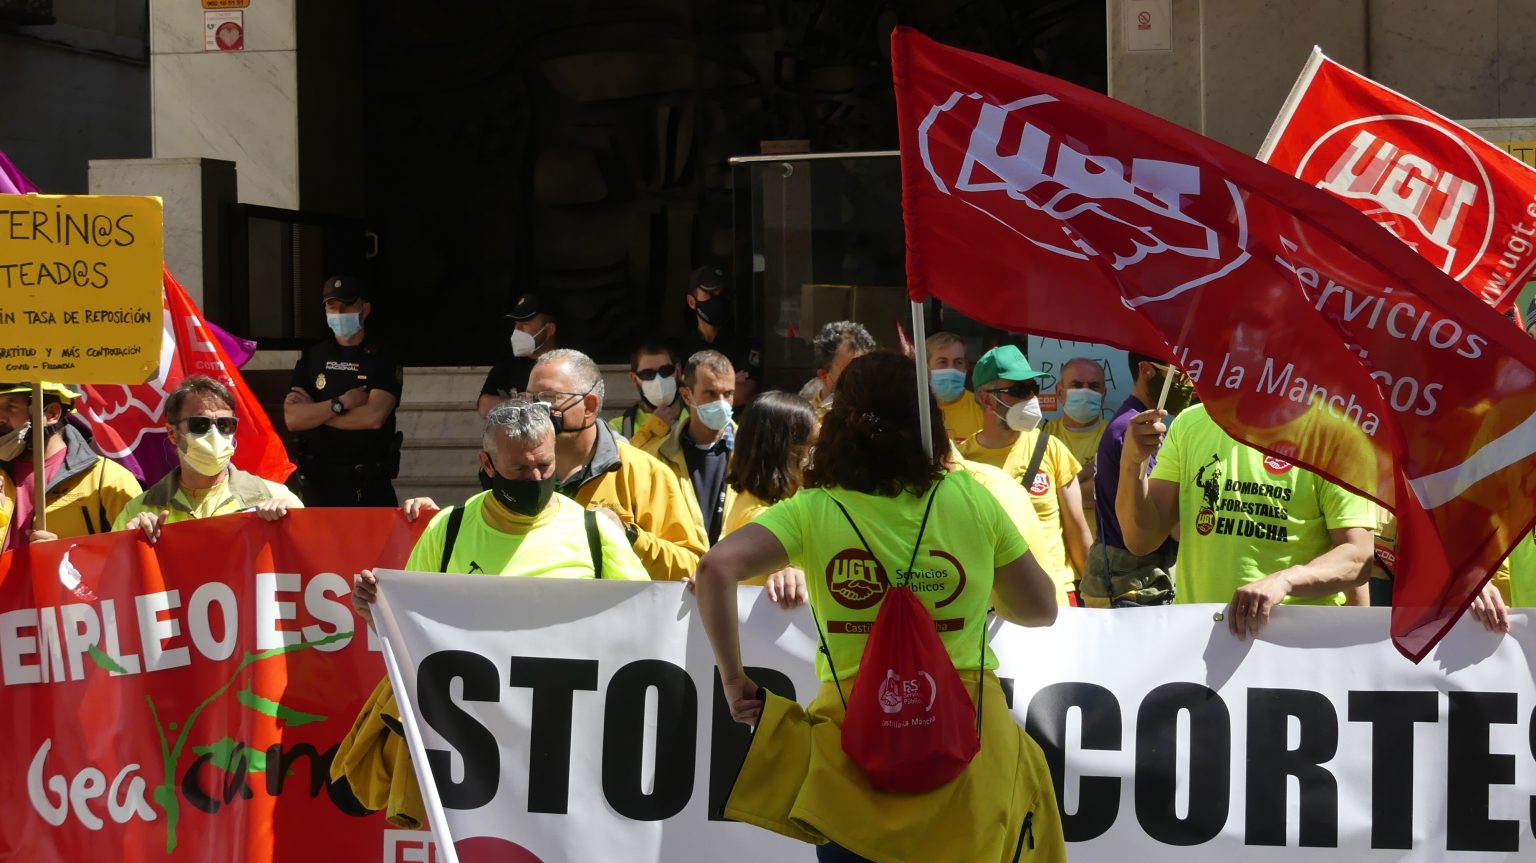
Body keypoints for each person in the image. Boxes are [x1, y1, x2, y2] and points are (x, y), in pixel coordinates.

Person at [693, 351, 1064, 863]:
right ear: (928, 421)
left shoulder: (815, 508)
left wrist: (734, 679)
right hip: (971, 752)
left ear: (841, 422)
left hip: (854, 761)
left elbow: (714, 568)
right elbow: (1041, 610)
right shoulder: (971, 499)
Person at [339, 400, 648, 828]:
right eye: (520, 470)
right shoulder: (446, 530)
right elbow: (408, 632)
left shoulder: (595, 535)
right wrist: (374, 611)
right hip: (469, 756)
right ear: (486, 463)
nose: (537, 479)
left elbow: (647, 625)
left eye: (544, 465)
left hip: (562, 753)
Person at [1116, 402, 1377, 638]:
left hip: (1296, 644)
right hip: (1199, 639)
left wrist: (1285, 580)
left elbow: (1357, 557)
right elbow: (1140, 539)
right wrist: (1133, 462)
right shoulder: (1190, 423)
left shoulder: (1336, 435)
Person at [526, 348, 708, 580]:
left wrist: (630, 536)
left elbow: (691, 566)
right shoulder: (518, 472)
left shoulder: (646, 473)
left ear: (589, 407)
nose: (536, 409)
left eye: (549, 398)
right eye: (529, 398)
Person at [959, 345, 1093, 605]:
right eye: (1019, 391)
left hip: (1057, 601)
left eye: (1033, 388)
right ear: (987, 399)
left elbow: (1079, 533)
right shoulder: (963, 460)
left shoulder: (1051, 448)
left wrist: (1095, 598)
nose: (1031, 398)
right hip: (992, 606)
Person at [115, 376, 302, 541]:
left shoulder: (276, 497)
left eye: (224, 424)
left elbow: (310, 562)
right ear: (172, 433)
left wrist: (291, 522)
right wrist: (130, 543)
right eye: (200, 424)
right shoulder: (137, 510)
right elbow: (113, 574)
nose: (214, 434)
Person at [284, 275, 404, 506]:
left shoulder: (382, 357)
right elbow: (293, 419)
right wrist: (340, 404)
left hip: (367, 483)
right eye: (332, 306)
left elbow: (373, 417)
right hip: (318, 482)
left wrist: (315, 415)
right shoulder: (313, 357)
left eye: (347, 305)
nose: (339, 312)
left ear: (365, 309)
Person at [1082, 353, 1185, 607]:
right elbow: (1168, 524)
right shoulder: (1135, 430)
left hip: (1130, 583)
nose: (1189, 386)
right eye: (1180, 376)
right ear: (1147, 371)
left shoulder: (1134, 425)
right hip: (1131, 586)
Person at [0, 381, 141, 549]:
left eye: (11, 406)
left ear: (52, 413)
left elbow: (135, 557)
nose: (0, 417)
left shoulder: (109, 480)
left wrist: (63, 557)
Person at [720, 391, 816, 590]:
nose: (820, 456)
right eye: (814, 446)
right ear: (787, 452)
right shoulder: (765, 519)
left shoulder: (751, 499)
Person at [642, 350, 736, 546]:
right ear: (686, 395)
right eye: (710, 393)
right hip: (681, 573)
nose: (721, 403)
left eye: (728, 394)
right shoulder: (658, 458)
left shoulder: (752, 452)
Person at [1043, 357, 1108, 535]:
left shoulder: (1117, 437)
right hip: (1055, 553)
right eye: (1077, 385)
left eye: (1094, 386)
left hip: (1101, 552)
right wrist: (1092, 469)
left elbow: (1108, 491)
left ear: (1104, 395)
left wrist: (1058, 488)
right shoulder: (1041, 437)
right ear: (1059, 392)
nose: (1085, 391)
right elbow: (1036, 494)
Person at [683, 264, 762, 409]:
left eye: (724, 294)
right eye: (711, 294)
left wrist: (701, 389)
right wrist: (728, 384)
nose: (718, 301)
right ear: (692, 301)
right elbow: (678, 395)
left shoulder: (745, 344)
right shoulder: (682, 348)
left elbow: (744, 393)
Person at [478, 290, 560, 418]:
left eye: (525, 324)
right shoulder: (507, 366)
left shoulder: (567, 366)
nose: (517, 330)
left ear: (549, 330)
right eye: (516, 324)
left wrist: (510, 404)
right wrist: (530, 404)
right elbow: (485, 406)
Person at [609, 341, 684, 450]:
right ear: (634, 379)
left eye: (666, 371)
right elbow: (622, 464)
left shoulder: (698, 417)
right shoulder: (618, 428)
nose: (659, 380)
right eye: (648, 374)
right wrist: (650, 431)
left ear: (678, 370)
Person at [804, 321, 876, 420]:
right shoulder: (808, 422)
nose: (861, 383)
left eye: (867, 373)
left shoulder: (878, 417)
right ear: (823, 375)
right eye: (851, 375)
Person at [925, 331, 983, 443]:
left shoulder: (983, 409)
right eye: (942, 362)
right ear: (926, 367)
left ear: (965, 368)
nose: (951, 369)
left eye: (958, 362)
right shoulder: (916, 410)